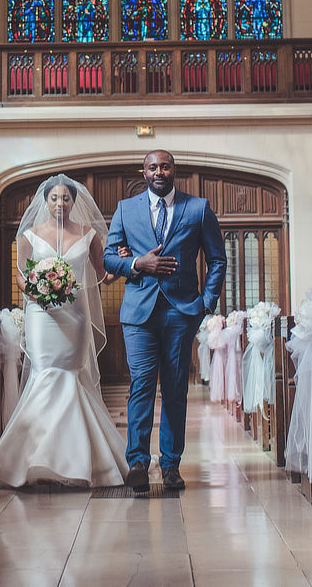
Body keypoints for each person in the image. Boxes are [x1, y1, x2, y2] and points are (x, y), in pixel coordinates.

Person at [0, 174, 127, 488]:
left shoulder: (88, 234)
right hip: (40, 313)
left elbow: (101, 274)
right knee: (44, 372)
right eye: (54, 198)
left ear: (74, 202)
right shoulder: (30, 236)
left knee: (69, 375)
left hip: (74, 315)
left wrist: (124, 267)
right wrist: (35, 289)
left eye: (66, 198)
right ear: (45, 201)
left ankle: (73, 460)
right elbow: (21, 275)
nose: (60, 203)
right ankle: (33, 458)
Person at [103, 150, 226, 492]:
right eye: (152, 167)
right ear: (143, 172)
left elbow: (217, 259)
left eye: (165, 166)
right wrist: (137, 264)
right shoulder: (126, 210)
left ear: (174, 170)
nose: (159, 171)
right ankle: (138, 462)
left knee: (174, 388)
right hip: (138, 313)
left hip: (181, 311)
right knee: (142, 383)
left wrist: (205, 303)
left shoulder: (197, 208)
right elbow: (108, 257)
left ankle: (171, 464)